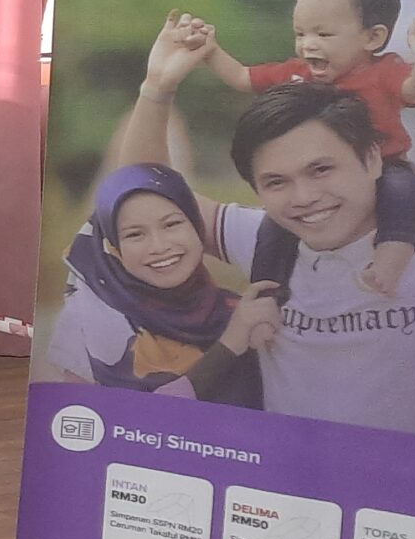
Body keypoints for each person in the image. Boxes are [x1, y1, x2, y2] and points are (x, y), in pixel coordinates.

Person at [123, 15, 415, 437]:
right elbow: (146, 196)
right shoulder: (264, 239)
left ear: (371, 159)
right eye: (276, 182)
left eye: (321, 169)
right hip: (285, 472)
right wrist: (157, 89)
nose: (304, 197)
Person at [188, 0, 415, 295]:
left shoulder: (383, 71)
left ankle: (389, 263)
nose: (308, 45)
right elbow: (242, 77)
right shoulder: (297, 74)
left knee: (406, 190)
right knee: (275, 224)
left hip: (385, 165)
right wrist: (210, 51)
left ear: (372, 37)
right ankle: (266, 290)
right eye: (300, 34)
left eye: (323, 35)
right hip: (311, 172)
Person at [41, 163, 277, 406]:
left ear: (197, 226)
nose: (159, 246)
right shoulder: (89, 325)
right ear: (115, 248)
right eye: (135, 234)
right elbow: (100, 418)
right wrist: (230, 345)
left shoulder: (240, 313)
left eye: (171, 224)